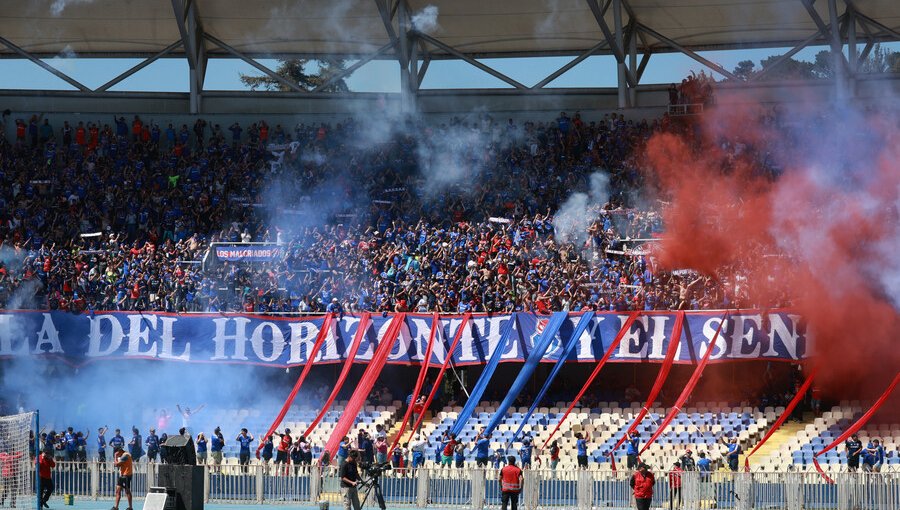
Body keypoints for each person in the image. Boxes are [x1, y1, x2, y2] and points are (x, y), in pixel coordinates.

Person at [112, 445, 133, 510]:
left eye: (116, 453)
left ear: (118, 451)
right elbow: (119, 465)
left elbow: (116, 464)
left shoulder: (125, 455)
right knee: (118, 490)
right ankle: (116, 507)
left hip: (126, 475)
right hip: (123, 475)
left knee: (127, 491)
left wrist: (115, 456)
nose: (116, 454)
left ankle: (130, 507)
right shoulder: (123, 455)